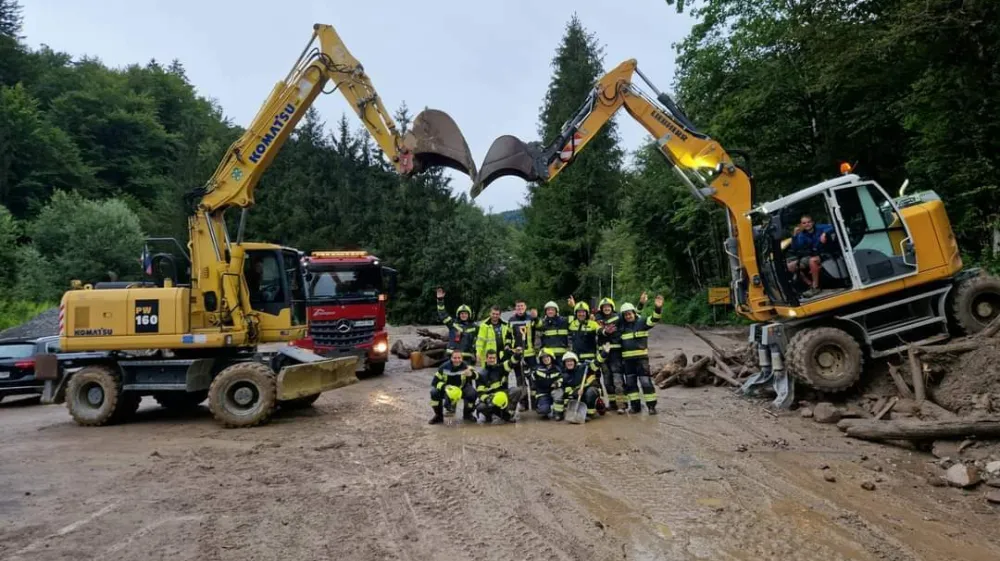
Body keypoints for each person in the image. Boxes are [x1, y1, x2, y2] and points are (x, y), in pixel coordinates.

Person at [619, 295, 664, 415]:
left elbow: (654, 319)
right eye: (626, 314)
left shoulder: (642, 322)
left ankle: (651, 407)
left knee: (646, 383)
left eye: (630, 313)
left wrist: (658, 308)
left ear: (634, 313)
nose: (628, 316)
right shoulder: (622, 327)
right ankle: (635, 407)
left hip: (641, 360)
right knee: (631, 385)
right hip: (628, 362)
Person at [786, 214, 836, 298]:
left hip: (825, 253)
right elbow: (795, 248)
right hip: (812, 255)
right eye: (804, 223)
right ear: (801, 225)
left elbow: (833, 226)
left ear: (812, 222)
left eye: (809, 222)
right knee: (790, 266)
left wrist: (824, 233)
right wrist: (794, 235)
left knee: (812, 261)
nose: (807, 224)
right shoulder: (802, 235)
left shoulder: (820, 228)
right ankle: (810, 284)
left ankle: (815, 287)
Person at [475, 348, 527, 423]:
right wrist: (488, 399)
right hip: (490, 398)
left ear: (496, 358)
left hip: (503, 394)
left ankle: (510, 413)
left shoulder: (500, 367)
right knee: (481, 407)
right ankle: (490, 416)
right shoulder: (481, 374)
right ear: (486, 359)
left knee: (517, 390)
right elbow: (480, 393)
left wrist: (517, 355)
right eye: (490, 358)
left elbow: (511, 363)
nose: (492, 360)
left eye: (493, 358)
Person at [593, 296, 626, 413]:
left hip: (616, 354)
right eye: (604, 307)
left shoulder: (618, 317)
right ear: (601, 309)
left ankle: (621, 405)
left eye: (608, 307)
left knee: (617, 380)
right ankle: (612, 404)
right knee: (607, 381)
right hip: (604, 355)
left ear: (612, 307)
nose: (606, 308)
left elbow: (631, 314)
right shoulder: (598, 320)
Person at [429, 349, 478, 424]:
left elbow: (477, 376)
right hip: (447, 390)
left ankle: (468, 415)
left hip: (461, 388)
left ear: (462, 358)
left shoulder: (466, 366)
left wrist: (471, 374)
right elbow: (435, 382)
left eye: (459, 358)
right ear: (451, 358)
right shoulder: (443, 367)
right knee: (434, 392)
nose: (457, 360)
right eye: (455, 358)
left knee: (472, 393)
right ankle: (438, 416)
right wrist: (445, 387)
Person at [559, 348, 606, 420]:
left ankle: (590, 413)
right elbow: (566, 391)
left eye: (571, 361)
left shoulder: (583, 368)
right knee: (572, 398)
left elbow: (597, 363)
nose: (569, 363)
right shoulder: (564, 376)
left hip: (591, 391)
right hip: (578, 395)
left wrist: (604, 352)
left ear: (575, 361)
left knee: (590, 392)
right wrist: (575, 392)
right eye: (567, 362)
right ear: (564, 364)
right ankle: (583, 411)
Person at [507, 299, 536, 410]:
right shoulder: (511, 320)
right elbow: (508, 336)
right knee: (520, 380)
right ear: (515, 308)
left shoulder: (530, 318)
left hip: (530, 354)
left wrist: (536, 317)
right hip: (518, 355)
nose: (520, 308)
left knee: (533, 379)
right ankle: (524, 403)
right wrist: (509, 347)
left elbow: (538, 326)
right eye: (518, 306)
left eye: (522, 306)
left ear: (525, 307)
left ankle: (534, 403)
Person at [436, 287, 478, 364]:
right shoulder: (452, 324)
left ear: (469, 315)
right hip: (451, 356)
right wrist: (440, 300)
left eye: (465, 313)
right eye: (462, 313)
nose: (464, 315)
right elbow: (442, 314)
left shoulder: (474, 327)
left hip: (467, 357)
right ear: (458, 315)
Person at [530, 349, 564, 420]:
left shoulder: (557, 369)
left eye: (547, 357)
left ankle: (558, 413)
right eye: (543, 358)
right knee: (543, 410)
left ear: (552, 357)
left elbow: (562, 379)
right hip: (543, 393)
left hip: (554, 392)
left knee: (558, 392)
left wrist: (557, 383)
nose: (545, 359)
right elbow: (534, 384)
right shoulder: (537, 370)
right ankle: (544, 408)